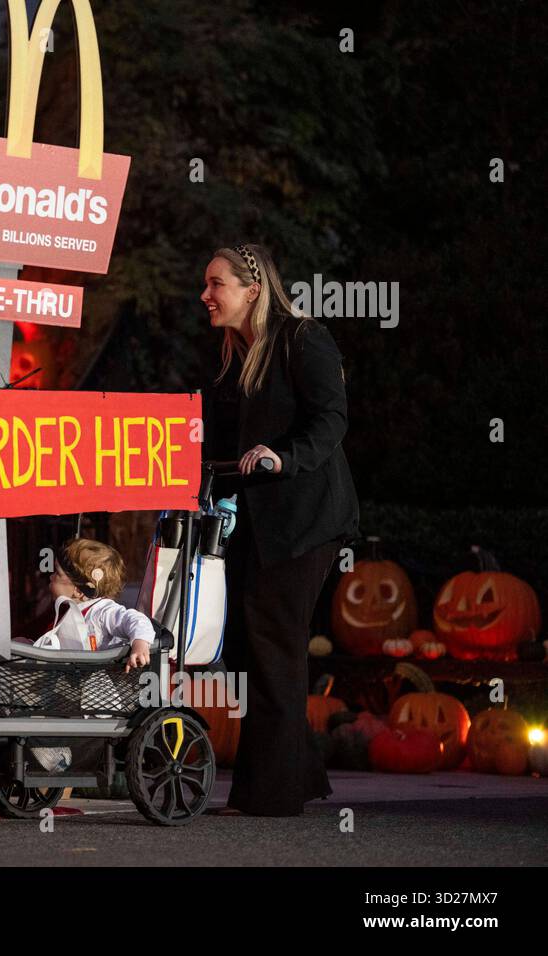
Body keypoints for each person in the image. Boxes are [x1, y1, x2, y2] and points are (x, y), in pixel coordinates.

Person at [200, 242, 359, 817]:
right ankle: (299, 772)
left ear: (253, 288)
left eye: (216, 284)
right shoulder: (232, 354)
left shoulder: (301, 339)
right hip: (256, 522)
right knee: (246, 646)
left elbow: (332, 417)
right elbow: (217, 436)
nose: (206, 296)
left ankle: (269, 794)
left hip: (304, 521)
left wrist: (283, 457)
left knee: (272, 645)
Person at [34, 539, 155, 672]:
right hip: (66, 680)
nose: (51, 576)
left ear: (79, 591)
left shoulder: (102, 611)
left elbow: (136, 619)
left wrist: (140, 643)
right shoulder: (65, 610)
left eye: (57, 573)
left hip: (93, 687)